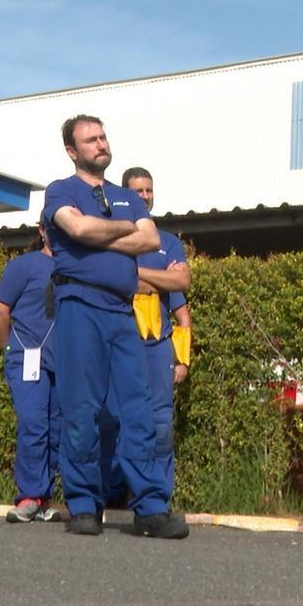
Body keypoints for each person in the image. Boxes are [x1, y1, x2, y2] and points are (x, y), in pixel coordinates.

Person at [42, 114, 187, 539]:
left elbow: (151, 240)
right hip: (79, 305)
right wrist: (124, 231)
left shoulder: (127, 196)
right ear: (72, 150)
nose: (100, 144)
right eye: (90, 140)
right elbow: (78, 227)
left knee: (138, 408)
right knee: (82, 408)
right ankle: (85, 504)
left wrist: (102, 232)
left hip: (122, 311)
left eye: (103, 137)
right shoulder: (60, 191)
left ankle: (151, 507)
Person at [97, 167, 191, 503]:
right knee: (112, 420)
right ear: (124, 196)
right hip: (118, 344)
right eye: (137, 191)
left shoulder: (168, 242)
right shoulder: (114, 239)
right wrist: (156, 278)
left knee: (160, 424)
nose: (145, 196)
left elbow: (181, 286)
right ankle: (112, 493)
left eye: (149, 190)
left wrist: (182, 358)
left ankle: (156, 498)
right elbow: (114, 280)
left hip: (157, 348)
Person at [0, 223, 61, 523]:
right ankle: (29, 496)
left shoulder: (80, 268)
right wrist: (10, 349)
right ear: (43, 230)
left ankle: (44, 498)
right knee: (34, 423)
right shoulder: (24, 265)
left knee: (58, 430)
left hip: (65, 361)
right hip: (27, 358)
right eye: (56, 227)